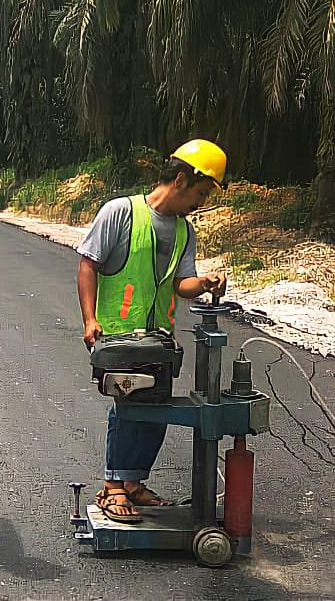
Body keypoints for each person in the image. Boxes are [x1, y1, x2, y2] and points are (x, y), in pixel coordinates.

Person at [75, 139, 229, 523]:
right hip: (118, 337)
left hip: (158, 340)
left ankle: (133, 484)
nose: (201, 202)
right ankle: (114, 486)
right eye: (200, 192)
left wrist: (205, 283)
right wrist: (89, 319)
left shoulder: (184, 232)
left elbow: (182, 284)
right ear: (180, 180)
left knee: (156, 408)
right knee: (129, 409)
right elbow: (88, 264)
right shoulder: (120, 213)